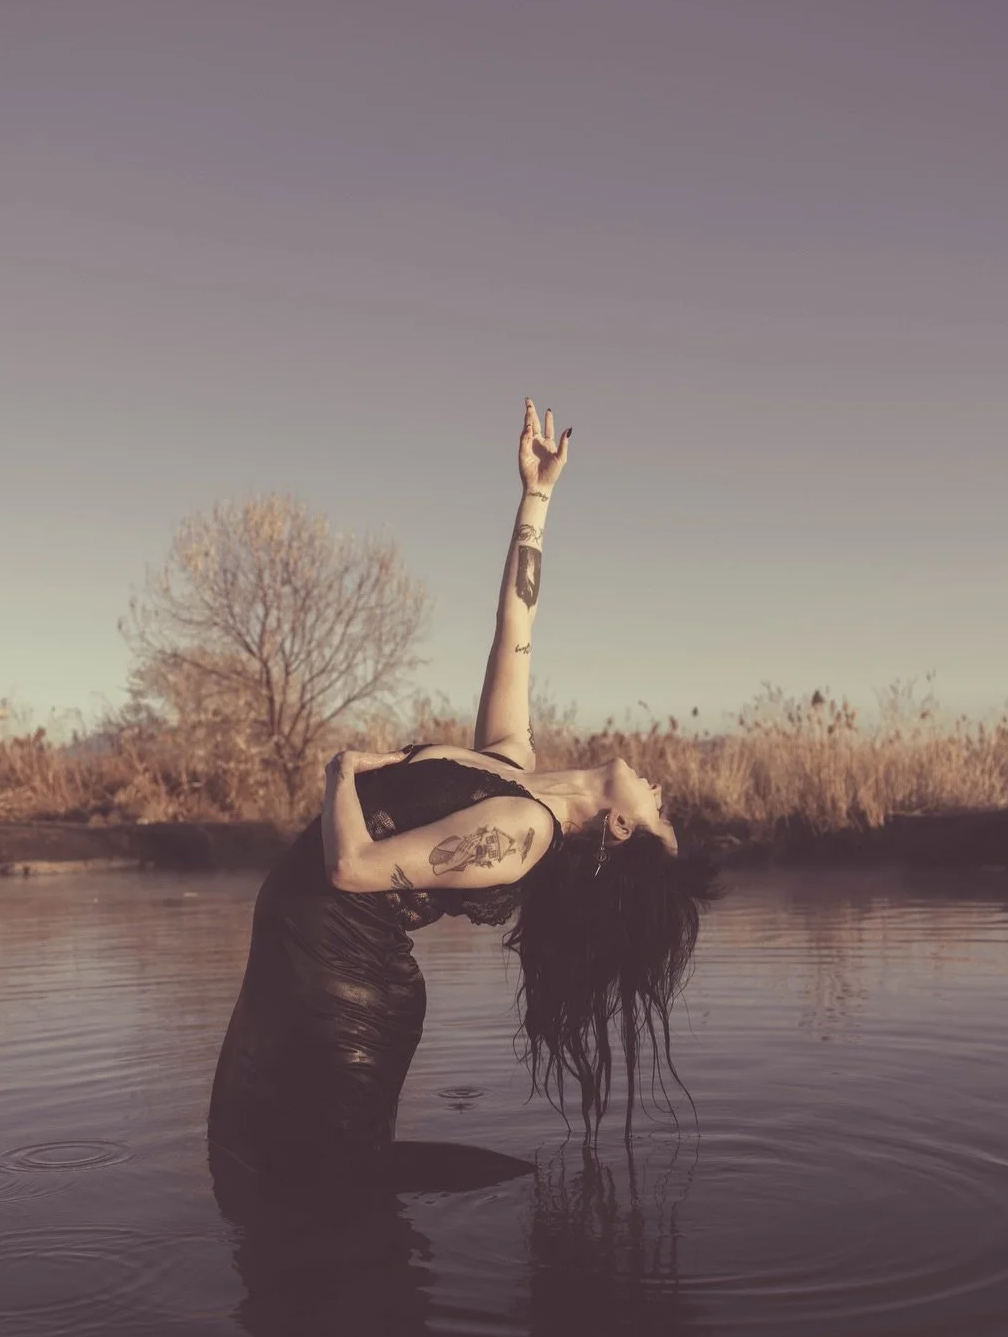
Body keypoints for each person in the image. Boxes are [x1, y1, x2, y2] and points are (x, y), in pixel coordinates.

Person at [207, 401, 715, 1193]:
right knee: (270, 1171)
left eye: (662, 816)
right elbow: (516, 623)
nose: (662, 793)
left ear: (619, 829)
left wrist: (341, 770)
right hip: (305, 956)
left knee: (319, 1199)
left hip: (342, 984)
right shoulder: (513, 771)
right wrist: (537, 497)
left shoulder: (520, 835)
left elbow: (352, 867)